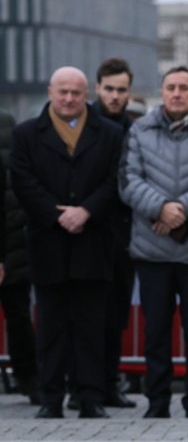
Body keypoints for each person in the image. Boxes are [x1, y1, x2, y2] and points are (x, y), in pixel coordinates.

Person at [119, 66, 188, 418]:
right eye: (171, 87)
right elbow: (127, 180)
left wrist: (180, 210)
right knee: (155, 331)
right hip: (152, 250)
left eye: (184, 87)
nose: (178, 93)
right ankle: (157, 401)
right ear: (162, 92)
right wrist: (160, 208)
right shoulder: (139, 131)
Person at [10, 67, 122, 419]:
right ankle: (51, 396)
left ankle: (90, 396)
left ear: (86, 92)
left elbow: (116, 179)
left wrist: (86, 210)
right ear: (50, 91)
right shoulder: (27, 134)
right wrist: (56, 214)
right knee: (51, 326)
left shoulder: (110, 133)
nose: (69, 99)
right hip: (48, 242)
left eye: (76, 92)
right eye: (63, 92)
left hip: (94, 241)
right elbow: (22, 180)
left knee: (91, 325)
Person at [91, 57, 137, 409]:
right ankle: (88, 385)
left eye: (121, 90)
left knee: (115, 317)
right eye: (109, 89)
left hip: (123, 237)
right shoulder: (87, 126)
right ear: (98, 89)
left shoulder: (134, 129)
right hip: (90, 232)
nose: (115, 96)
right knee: (87, 316)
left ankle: (109, 382)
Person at [0, 111, 35, 404]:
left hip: (11, 240)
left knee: (19, 316)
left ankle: (29, 377)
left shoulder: (9, 125)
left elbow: (17, 183)